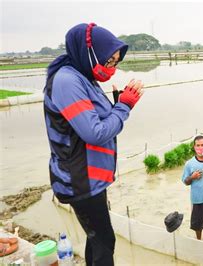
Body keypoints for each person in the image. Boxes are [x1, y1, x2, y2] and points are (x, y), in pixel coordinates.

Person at [43, 23, 143, 266]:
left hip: (92, 176)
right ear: (90, 53)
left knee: (96, 237)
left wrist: (117, 103)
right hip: (80, 178)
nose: (112, 68)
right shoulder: (68, 80)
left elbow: (91, 118)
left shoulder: (82, 76)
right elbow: (95, 133)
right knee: (104, 240)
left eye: (115, 62)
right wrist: (124, 107)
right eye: (109, 61)